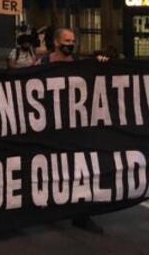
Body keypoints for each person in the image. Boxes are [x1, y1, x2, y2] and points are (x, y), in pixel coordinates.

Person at [35, 28, 105, 234]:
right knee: (51, 168)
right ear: (57, 43)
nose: (71, 44)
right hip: (50, 127)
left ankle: (81, 214)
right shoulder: (42, 64)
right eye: (67, 40)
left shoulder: (80, 65)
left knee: (81, 170)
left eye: (73, 40)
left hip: (75, 127)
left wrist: (102, 64)